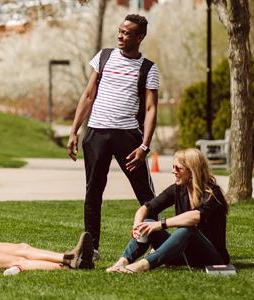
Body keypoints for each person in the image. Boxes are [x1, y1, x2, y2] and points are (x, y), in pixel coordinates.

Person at [66, 14, 160, 268]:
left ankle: (160, 243)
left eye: (127, 33)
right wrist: (74, 130)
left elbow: (151, 109)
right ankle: (91, 247)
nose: (120, 36)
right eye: (120, 31)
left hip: (128, 136)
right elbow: (88, 94)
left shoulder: (148, 68)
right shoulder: (104, 57)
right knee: (93, 191)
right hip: (96, 133)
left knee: (146, 194)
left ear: (140, 38)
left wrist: (144, 146)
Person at [105, 148, 229, 273]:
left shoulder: (213, 192)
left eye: (178, 168)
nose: (173, 171)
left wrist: (161, 224)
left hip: (212, 258)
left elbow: (196, 217)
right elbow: (146, 208)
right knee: (147, 223)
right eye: (173, 167)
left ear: (192, 172)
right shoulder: (178, 189)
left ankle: (144, 264)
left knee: (188, 229)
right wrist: (137, 226)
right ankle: (123, 261)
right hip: (184, 254)